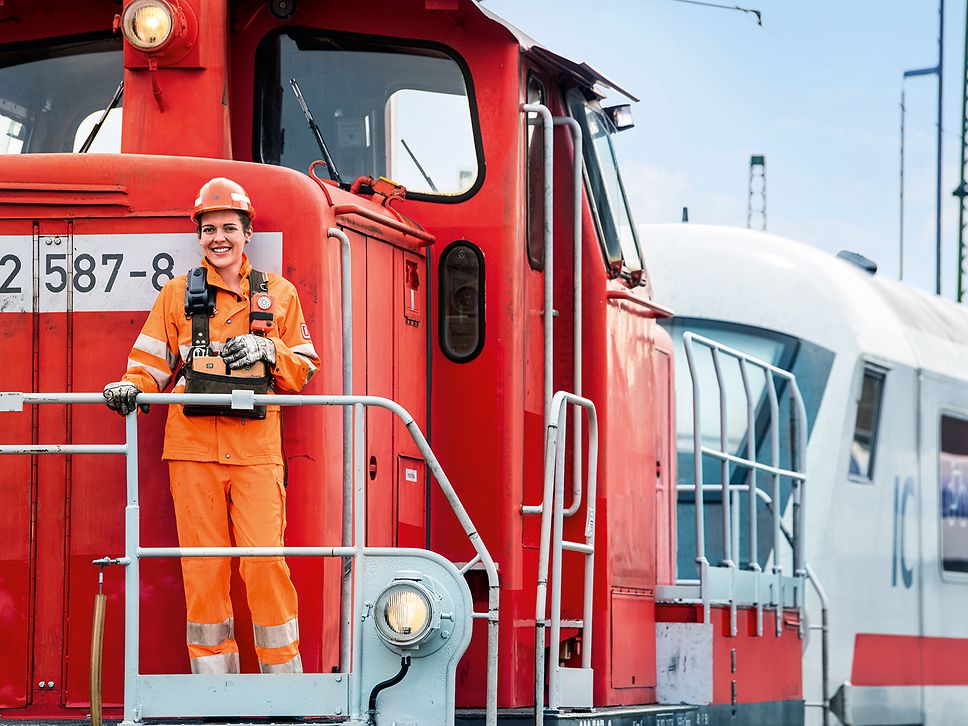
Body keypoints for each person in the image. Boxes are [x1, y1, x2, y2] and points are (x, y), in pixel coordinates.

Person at [103, 177, 319, 674]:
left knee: (266, 565)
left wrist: (270, 349)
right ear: (199, 236)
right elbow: (150, 364)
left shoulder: (279, 295)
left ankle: (284, 689)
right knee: (203, 569)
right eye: (208, 229)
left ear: (247, 234)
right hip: (192, 450)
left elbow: (305, 368)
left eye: (228, 228)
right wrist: (129, 388)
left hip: (256, 454)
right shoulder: (176, 296)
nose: (218, 238)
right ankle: (213, 689)